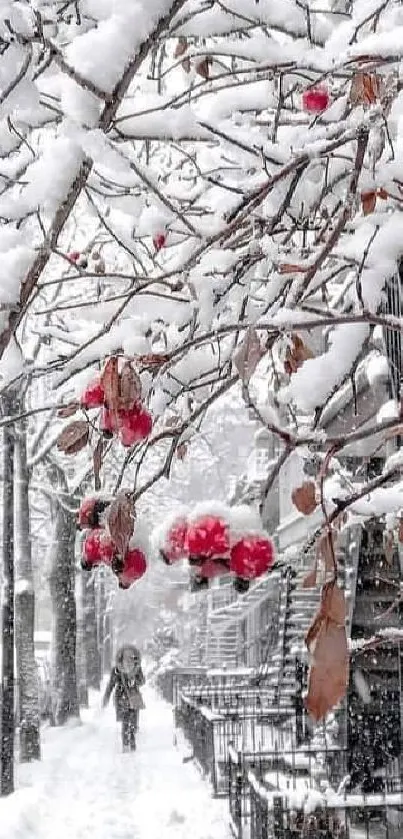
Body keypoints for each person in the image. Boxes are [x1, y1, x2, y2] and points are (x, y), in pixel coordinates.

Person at [102, 644, 145, 752]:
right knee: (127, 720)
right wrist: (106, 697)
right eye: (127, 657)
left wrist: (135, 680)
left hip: (126, 696)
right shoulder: (118, 669)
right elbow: (111, 684)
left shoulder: (134, 669)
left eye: (131, 657)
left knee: (131, 721)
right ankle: (128, 743)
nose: (128, 660)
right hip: (127, 696)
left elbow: (142, 681)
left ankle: (129, 742)